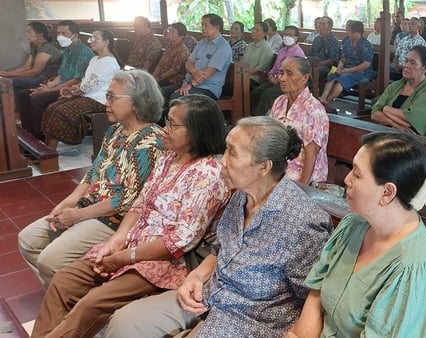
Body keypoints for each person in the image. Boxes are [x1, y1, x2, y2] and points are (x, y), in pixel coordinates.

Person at [104, 117, 333, 338]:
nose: (222, 161)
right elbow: (219, 249)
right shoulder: (241, 195)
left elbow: (311, 299)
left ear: (264, 167)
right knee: (125, 323)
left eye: (232, 152)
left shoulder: (304, 223)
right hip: (210, 295)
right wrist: (196, 276)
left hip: (251, 320)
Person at [31, 94, 230, 338]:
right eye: (166, 121)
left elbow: (178, 241)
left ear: (198, 130)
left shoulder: (209, 175)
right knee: (64, 282)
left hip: (164, 260)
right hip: (131, 243)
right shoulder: (169, 157)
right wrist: (117, 241)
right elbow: (141, 201)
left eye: (173, 125)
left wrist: (123, 258)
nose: (164, 130)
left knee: (92, 303)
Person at [287, 131, 426, 337]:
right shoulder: (354, 225)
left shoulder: (412, 269)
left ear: (387, 193)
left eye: (357, 173)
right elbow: (317, 294)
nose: (346, 179)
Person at [18, 69, 164, 287]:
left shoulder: (151, 141)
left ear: (136, 102)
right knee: (27, 240)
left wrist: (77, 216)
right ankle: (60, 295)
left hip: (115, 219)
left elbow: (125, 200)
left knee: (51, 260)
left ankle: (73, 302)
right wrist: (67, 202)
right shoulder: (114, 131)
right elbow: (94, 171)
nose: (106, 102)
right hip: (90, 206)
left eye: (112, 96)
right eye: (106, 95)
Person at [40, 30, 121, 149]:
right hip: (87, 95)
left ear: (106, 42)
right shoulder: (95, 59)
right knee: (51, 107)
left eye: (95, 38)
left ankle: (50, 151)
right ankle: (44, 148)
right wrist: (73, 89)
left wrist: (73, 91)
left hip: (100, 100)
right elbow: (85, 80)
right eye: (91, 38)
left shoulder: (109, 62)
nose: (91, 41)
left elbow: (90, 86)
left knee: (61, 111)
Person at [18, 20, 94, 140]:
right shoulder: (67, 51)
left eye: (64, 33)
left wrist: (48, 91)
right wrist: (48, 86)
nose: (60, 37)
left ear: (75, 35)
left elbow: (76, 80)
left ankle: (40, 140)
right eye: (59, 33)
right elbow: (61, 75)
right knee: (24, 95)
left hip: (72, 89)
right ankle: (29, 137)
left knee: (38, 99)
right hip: (61, 85)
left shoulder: (83, 52)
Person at [270, 57, 329, 184]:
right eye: (281, 73)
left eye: (289, 73)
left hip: (304, 177)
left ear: (305, 78)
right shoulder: (280, 102)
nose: (282, 78)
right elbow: (271, 138)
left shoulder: (314, 110)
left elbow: (311, 154)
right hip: (281, 170)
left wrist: (301, 190)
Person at [371, 45, 426, 135]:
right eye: (406, 61)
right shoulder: (395, 86)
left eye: (412, 62)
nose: (406, 65)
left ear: (424, 68)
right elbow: (374, 114)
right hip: (386, 134)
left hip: (411, 141)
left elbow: (411, 121)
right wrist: (396, 124)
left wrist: (385, 108)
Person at [171, 14, 232, 101]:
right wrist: (194, 71)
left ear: (217, 27)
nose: (203, 28)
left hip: (207, 89)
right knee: (162, 93)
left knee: (177, 98)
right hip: (189, 83)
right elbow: (188, 63)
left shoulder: (223, 47)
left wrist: (190, 85)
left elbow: (208, 73)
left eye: (206, 25)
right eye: (202, 25)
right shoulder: (202, 42)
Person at [0, 21, 62, 102]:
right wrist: (6, 74)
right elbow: (26, 67)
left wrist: (9, 75)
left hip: (44, 79)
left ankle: (13, 113)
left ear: (40, 34)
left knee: (6, 82)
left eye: (29, 32)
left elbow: (35, 71)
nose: (27, 35)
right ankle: (14, 111)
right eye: (26, 32)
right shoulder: (35, 48)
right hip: (36, 77)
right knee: (5, 81)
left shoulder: (47, 48)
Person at [251, 26, 306, 116]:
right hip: (275, 80)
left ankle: (261, 119)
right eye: (285, 34)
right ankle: (253, 116)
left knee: (268, 94)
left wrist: (280, 78)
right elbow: (275, 67)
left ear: (296, 38)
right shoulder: (282, 51)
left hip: (289, 83)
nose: (287, 37)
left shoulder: (298, 53)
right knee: (256, 92)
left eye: (290, 35)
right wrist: (271, 75)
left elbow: (294, 73)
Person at [319, 20, 375, 106]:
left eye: (351, 32)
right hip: (347, 69)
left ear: (358, 32)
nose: (349, 34)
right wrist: (339, 67)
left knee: (342, 79)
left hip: (362, 73)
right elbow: (343, 59)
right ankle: (323, 98)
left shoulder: (366, 44)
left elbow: (366, 64)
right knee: (333, 76)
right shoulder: (347, 42)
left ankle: (328, 102)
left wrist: (349, 70)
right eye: (348, 31)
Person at [153, 23, 190, 93]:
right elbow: (160, 64)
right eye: (169, 30)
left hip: (174, 81)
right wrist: (153, 77)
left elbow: (173, 70)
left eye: (172, 32)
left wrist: (159, 78)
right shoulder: (169, 46)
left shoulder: (183, 51)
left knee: (154, 90)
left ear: (181, 36)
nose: (169, 33)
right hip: (162, 77)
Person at [238, 21, 275, 89]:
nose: (254, 31)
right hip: (243, 75)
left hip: (254, 79)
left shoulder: (266, 48)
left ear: (264, 34)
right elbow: (243, 62)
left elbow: (260, 68)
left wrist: (245, 74)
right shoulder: (250, 45)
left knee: (233, 86)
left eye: (257, 30)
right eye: (253, 29)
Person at [309, 16, 341, 90]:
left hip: (328, 67)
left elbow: (333, 60)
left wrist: (318, 64)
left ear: (329, 26)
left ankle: (314, 90)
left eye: (323, 24)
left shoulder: (334, 41)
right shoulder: (316, 39)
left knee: (318, 70)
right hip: (315, 64)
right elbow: (311, 54)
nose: (320, 26)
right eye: (319, 24)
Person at [393, 17, 426, 81]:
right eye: (409, 23)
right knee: (384, 70)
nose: (410, 25)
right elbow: (396, 55)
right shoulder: (403, 40)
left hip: (410, 68)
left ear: (418, 26)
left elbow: (418, 61)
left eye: (413, 23)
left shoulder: (421, 42)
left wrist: (403, 66)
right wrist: (395, 65)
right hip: (398, 66)